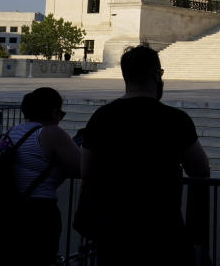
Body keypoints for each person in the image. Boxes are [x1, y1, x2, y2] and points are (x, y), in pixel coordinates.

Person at [76, 46, 210, 265]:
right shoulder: (175, 119)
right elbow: (200, 169)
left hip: (113, 227)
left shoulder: (102, 117)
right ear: (157, 75)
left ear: (125, 75)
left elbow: (86, 170)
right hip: (161, 225)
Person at [0, 87, 80, 266]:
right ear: (53, 112)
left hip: (3, 212)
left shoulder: (14, 132)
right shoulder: (51, 133)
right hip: (36, 213)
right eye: (61, 113)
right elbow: (80, 167)